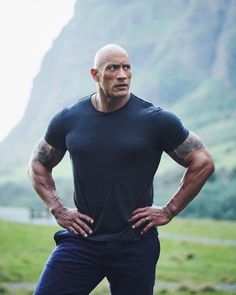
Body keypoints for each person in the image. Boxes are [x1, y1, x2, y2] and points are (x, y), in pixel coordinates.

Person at [27, 43, 215, 295]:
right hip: (82, 241)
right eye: (113, 68)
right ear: (95, 75)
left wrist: (169, 210)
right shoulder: (69, 119)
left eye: (127, 67)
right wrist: (57, 209)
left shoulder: (155, 120)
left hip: (135, 245)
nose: (122, 75)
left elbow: (203, 161)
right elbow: (38, 163)